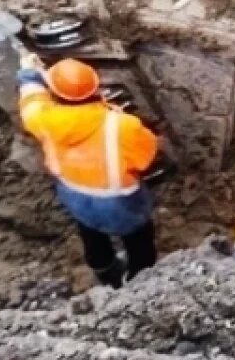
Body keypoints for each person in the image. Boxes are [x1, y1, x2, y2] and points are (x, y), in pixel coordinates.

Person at [16, 55, 159, 287]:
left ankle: (105, 273)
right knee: (139, 242)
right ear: (95, 87)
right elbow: (145, 158)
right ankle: (140, 281)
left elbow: (31, 104)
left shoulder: (45, 120)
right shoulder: (122, 125)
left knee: (92, 235)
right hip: (119, 201)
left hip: (74, 195)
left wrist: (29, 75)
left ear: (54, 93)